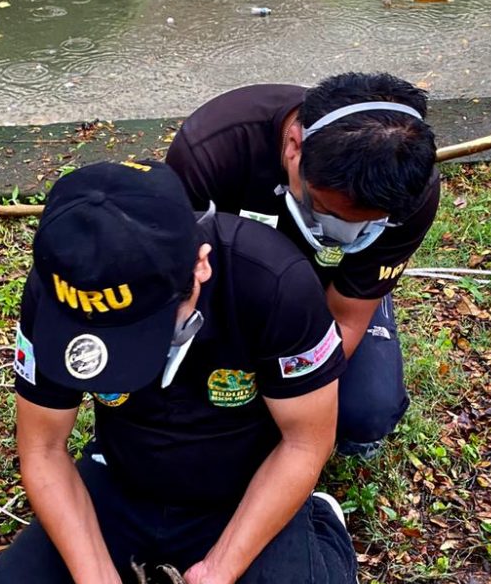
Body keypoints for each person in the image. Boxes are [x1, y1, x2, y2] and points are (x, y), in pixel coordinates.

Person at [0, 160, 359, 584]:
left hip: (242, 489)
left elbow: (306, 441)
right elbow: (44, 447)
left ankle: (320, 522)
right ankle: (132, 577)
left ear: (200, 266)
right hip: (123, 479)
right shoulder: (56, 292)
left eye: (143, 329)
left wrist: (220, 573)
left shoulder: (273, 281)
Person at [166, 72, 440, 456]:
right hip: (223, 283)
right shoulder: (213, 146)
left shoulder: (410, 190)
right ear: (294, 147)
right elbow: (179, 282)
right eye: (326, 211)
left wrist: (292, 400)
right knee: (190, 401)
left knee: (365, 413)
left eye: (365, 224)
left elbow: (345, 318)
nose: (345, 236)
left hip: (329, 293)